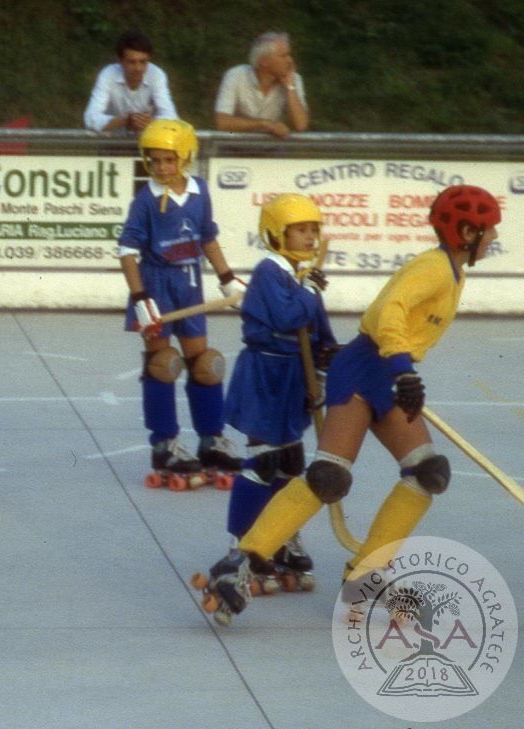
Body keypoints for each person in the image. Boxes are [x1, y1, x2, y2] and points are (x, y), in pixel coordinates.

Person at [204, 185, 502, 621]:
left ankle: (365, 575)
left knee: (427, 473)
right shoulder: (434, 267)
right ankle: (239, 563)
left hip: (386, 372)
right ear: (467, 232)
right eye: (488, 229)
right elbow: (388, 312)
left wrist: (397, 369)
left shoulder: (454, 271)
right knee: (329, 478)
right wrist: (402, 369)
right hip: (368, 370)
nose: (493, 237)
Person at [214, 194, 338, 597]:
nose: (309, 237)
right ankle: (243, 544)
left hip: (293, 377)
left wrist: (328, 361)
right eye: (300, 230)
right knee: (264, 461)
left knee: (290, 462)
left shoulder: (303, 276)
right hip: (266, 373)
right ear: (276, 233)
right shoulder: (272, 271)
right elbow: (288, 316)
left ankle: (281, 536)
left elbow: (317, 328)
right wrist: (310, 290)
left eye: (313, 230)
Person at [118, 119, 244, 484]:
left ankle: (211, 440)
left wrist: (225, 278)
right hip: (156, 283)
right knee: (163, 363)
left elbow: (208, 239)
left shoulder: (200, 191)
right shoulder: (144, 200)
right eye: (154, 160)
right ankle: (164, 444)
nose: (161, 168)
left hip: (190, 282)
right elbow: (127, 251)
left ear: (185, 157)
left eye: (169, 160)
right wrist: (141, 298)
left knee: (205, 363)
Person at [214, 31, 308, 138]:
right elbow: (222, 122)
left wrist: (290, 87)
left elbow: (301, 125)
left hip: (274, 150)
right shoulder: (235, 75)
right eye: (284, 56)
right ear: (264, 61)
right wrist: (264, 124)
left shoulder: (294, 79)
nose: (290, 60)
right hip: (235, 148)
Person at [83, 30, 178, 134]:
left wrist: (150, 122)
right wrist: (124, 121)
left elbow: (172, 118)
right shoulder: (108, 74)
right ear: (120, 61)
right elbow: (90, 118)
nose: (138, 68)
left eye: (143, 62)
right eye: (131, 62)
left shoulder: (156, 74)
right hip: (113, 142)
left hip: (148, 140)